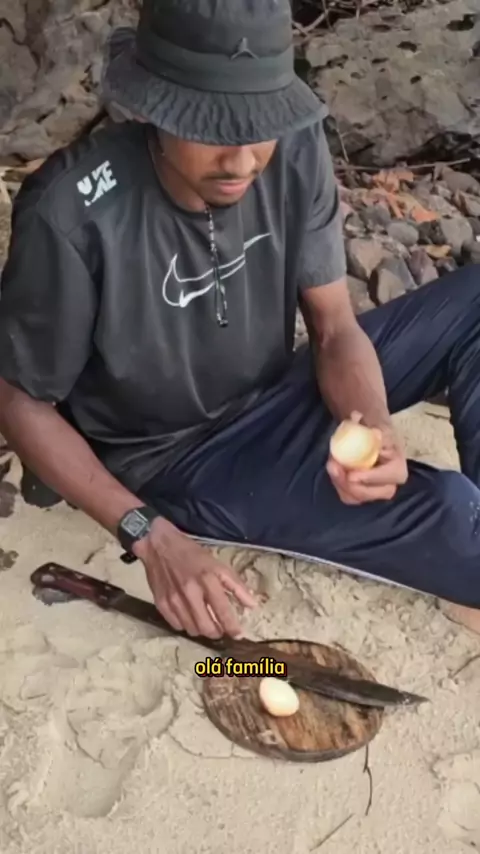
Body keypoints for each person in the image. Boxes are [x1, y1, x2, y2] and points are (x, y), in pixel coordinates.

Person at [0, 0, 479, 641]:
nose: (244, 161)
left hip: (278, 389)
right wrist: (147, 533)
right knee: (453, 514)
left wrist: (372, 425)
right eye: (213, 129)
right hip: (179, 459)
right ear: (156, 106)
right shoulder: (71, 214)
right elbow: (20, 401)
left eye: (260, 127)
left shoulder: (294, 147)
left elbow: (334, 327)